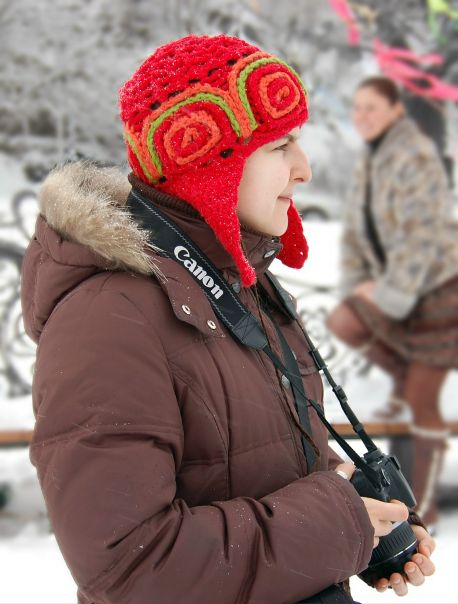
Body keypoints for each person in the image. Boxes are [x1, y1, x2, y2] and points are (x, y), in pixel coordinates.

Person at [21, 37, 435, 604]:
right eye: (280, 146)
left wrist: (365, 518)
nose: (305, 170)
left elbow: (256, 454)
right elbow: (130, 568)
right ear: (207, 163)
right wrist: (336, 523)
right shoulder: (108, 320)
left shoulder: (238, 282)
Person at [327, 75, 458, 529]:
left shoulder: (415, 155)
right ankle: (403, 376)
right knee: (345, 319)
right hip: (399, 294)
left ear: (396, 110)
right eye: (357, 107)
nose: (362, 116)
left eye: (372, 107)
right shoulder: (372, 159)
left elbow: (421, 238)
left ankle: (423, 506)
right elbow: (355, 237)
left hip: (439, 293)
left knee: (423, 397)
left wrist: (385, 294)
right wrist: (358, 286)